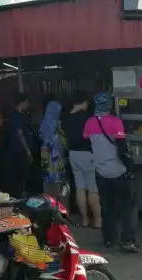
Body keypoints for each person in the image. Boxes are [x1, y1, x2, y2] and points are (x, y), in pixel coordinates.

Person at [83, 92, 138, 253]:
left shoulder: (89, 123)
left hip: (100, 172)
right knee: (127, 207)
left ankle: (108, 239)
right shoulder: (115, 122)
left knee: (107, 207)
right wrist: (130, 167)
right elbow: (122, 148)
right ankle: (127, 240)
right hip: (118, 172)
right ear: (108, 105)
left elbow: (88, 143)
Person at [62, 90, 101, 229]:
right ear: (84, 102)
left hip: (73, 154)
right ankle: (97, 221)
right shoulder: (89, 117)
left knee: (79, 187)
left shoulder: (65, 117)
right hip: (88, 154)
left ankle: (84, 220)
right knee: (92, 188)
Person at [39, 100, 67, 200]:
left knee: (47, 181)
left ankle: (49, 204)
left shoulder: (43, 123)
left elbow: (41, 137)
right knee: (58, 183)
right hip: (56, 154)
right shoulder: (57, 124)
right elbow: (63, 141)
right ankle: (60, 205)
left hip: (46, 154)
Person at [7, 93, 33, 197]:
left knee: (21, 174)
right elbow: (20, 134)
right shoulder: (18, 116)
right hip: (19, 150)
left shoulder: (19, 115)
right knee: (21, 174)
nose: (28, 104)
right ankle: (19, 195)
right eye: (27, 102)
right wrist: (27, 150)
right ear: (22, 102)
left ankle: (20, 194)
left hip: (17, 149)